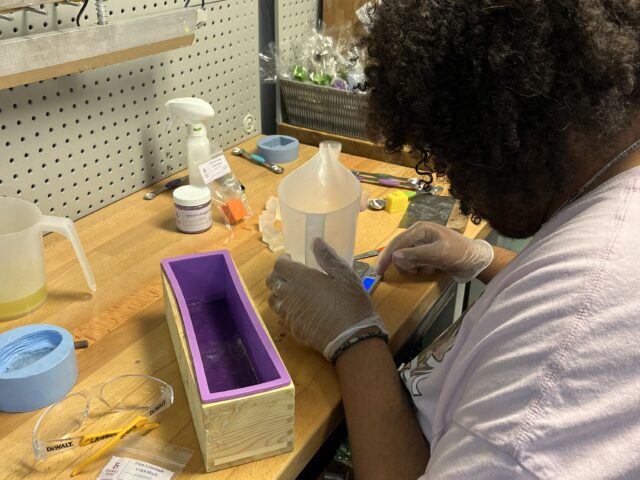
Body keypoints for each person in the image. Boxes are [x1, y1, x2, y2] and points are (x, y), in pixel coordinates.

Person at [267, 1, 640, 478]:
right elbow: (576, 280)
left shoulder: (532, 416)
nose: (461, 193)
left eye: (451, 159)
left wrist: (354, 340)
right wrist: (481, 257)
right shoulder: (612, 199)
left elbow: (580, 305)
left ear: (506, 125)